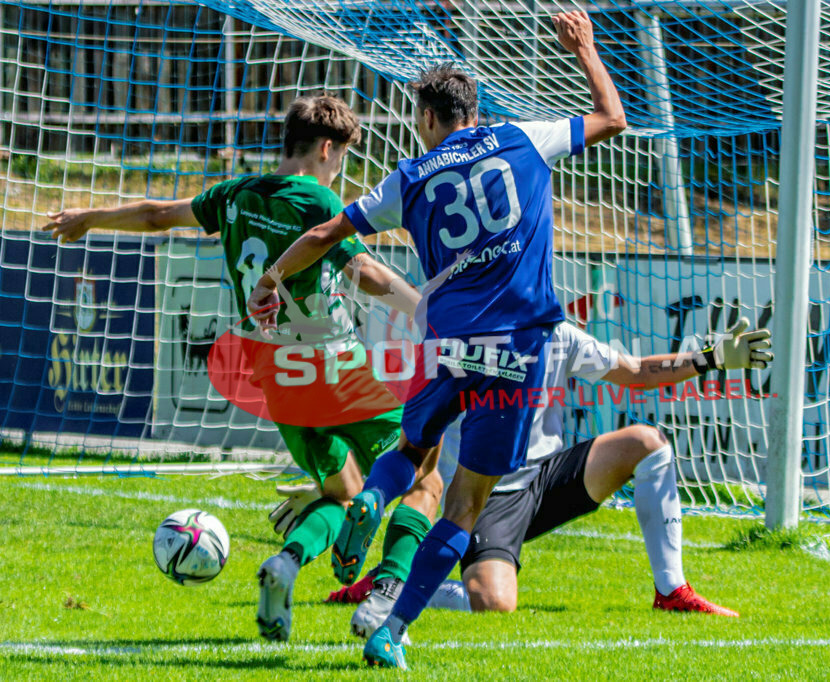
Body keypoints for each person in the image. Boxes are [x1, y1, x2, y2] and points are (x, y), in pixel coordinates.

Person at [248, 11, 626, 668]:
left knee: (411, 448)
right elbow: (611, 117)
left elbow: (325, 235)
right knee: (464, 503)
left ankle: (369, 497)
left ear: (427, 118)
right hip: (517, 354)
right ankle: (390, 632)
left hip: (448, 345)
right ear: (472, 112)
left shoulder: (410, 176)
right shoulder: (525, 139)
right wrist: (585, 50)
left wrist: (272, 278)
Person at [44, 93, 444, 643]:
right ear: (327, 149)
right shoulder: (316, 199)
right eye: (343, 158)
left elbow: (160, 216)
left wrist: (90, 218)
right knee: (425, 474)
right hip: (334, 362)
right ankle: (387, 593)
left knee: (341, 494)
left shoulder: (234, 195)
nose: (341, 170)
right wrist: (427, 309)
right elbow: (365, 272)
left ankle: (286, 563)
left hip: (276, 374)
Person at [277, 318, 771, 628]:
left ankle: (672, 592)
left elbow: (637, 372)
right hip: (483, 495)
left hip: (544, 478)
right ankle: (396, 584)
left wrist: (712, 357)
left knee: (647, 443)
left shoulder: (556, 331)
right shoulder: (464, 336)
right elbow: (423, 441)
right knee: (494, 604)